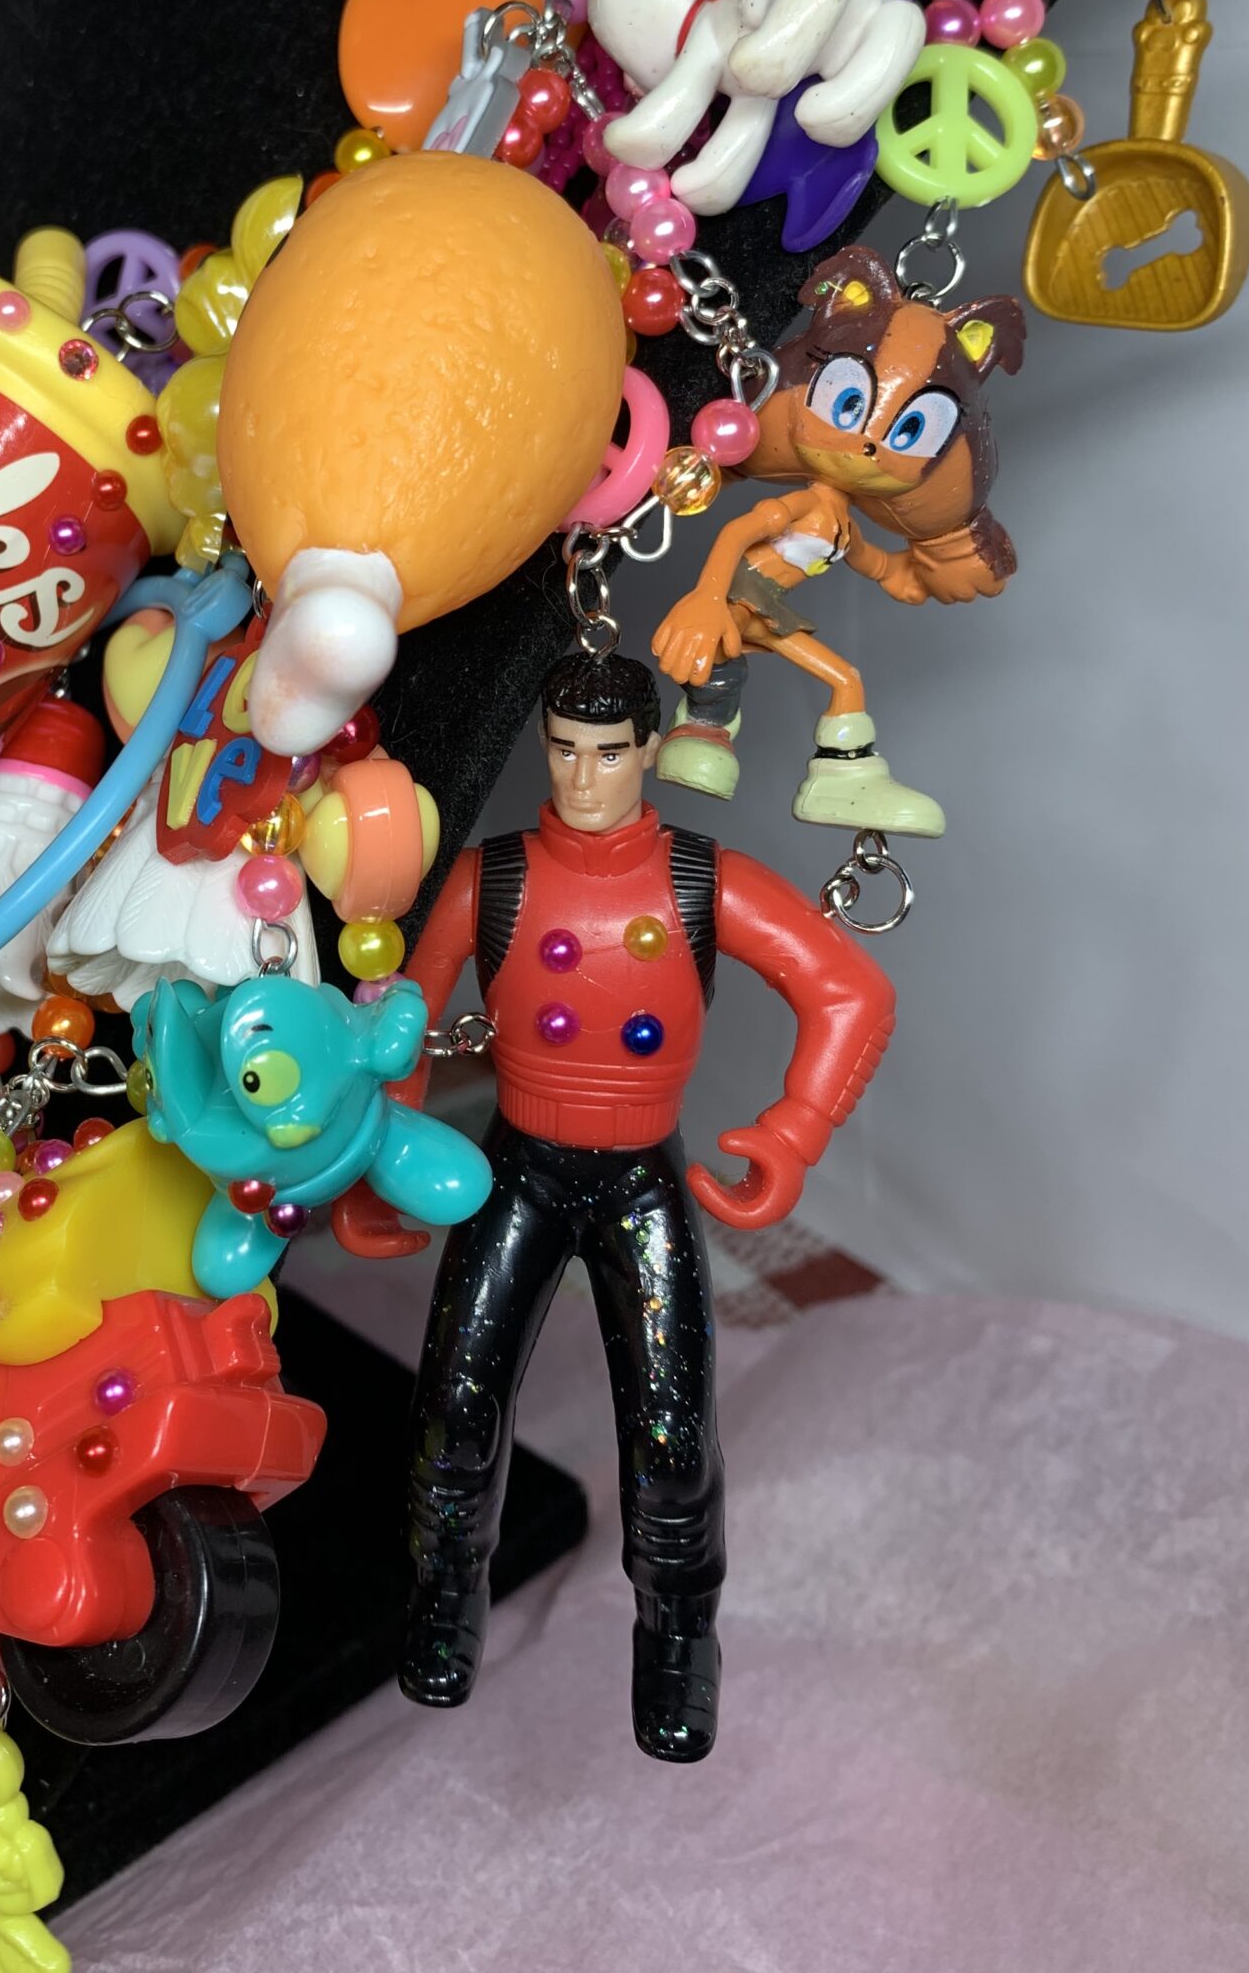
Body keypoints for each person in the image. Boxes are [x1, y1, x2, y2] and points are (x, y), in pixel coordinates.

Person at [395, 648, 896, 1756]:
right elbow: (401, 1025)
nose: (584, 779)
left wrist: (794, 1132)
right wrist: (388, 1159)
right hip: (517, 1167)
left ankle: (678, 1641)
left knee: (672, 1444)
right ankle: (443, 1600)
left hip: (639, 1179)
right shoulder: (491, 880)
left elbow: (850, 990)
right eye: (565, 752)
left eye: (609, 754)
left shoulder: (701, 881)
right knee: (454, 1417)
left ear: (652, 752)